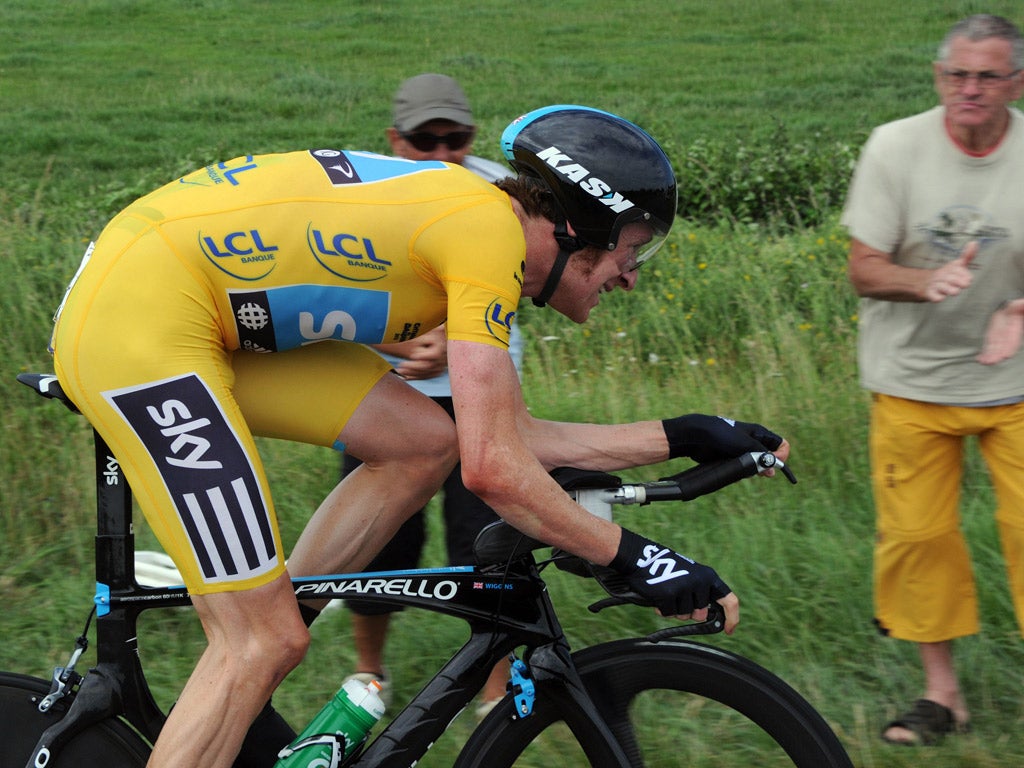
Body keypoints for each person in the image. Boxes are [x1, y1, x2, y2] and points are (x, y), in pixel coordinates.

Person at [50, 104, 790, 768]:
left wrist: (684, 434)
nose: (629, 277)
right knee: (257, 638)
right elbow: (495, 470)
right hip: (142, 323)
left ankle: (258, 658)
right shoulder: (485, 236)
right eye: (631, 250)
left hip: (196, 311)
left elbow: (500, 436)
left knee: (420, 442)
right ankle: (255, 649)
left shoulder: (484, 226)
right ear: (579, 226)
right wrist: (636, 557)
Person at [843, 13, 1024, 747]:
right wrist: (926, 283)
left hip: (1016, 384)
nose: (970, 90)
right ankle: (941, 698)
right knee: (918, 539)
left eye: (988, 76)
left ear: (1017, 82)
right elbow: (864, 268)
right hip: (911, 381)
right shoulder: (896, 147)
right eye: (958, 75)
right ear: (938, 77)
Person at [340, 74, 521, 715]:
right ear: (393, 139)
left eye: (457, 138)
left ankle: (495, 689)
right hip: (385, 402)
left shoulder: (500, 188)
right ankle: (369, 674)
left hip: (478, 395)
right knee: (377, 545)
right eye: (425, 140)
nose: (444, 153)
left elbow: (522, 283)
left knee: (489, 546)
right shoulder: (364, 198)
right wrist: (400, 343)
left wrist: (467, 340)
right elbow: (330, 293)